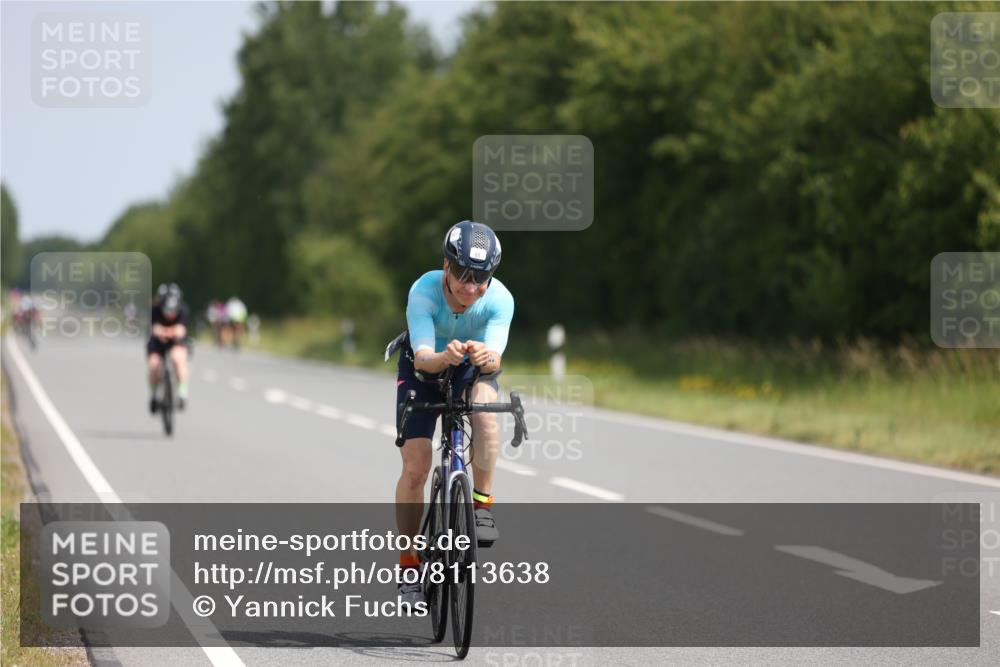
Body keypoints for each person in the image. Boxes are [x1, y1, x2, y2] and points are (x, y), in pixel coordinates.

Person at [393, 220, 513, 605]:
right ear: (446, 265)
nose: (470, 286)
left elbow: (495, 359)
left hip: (470, 368)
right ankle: (409, 564)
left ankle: (482, 505)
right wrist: (444, 357)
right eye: (462, 273)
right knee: (416, 467)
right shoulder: (424, 291)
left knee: (485, 410)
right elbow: (424, 357)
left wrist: (485, 356)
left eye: (480, 278)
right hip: (423, 367)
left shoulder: (500, 299)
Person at [147, 283, 191, 412]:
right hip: (157, 342)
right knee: (154, 365)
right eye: (166, 310)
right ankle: (154, 395)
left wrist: (165, 332)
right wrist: (167, 331)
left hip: (176, 341)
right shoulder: (154, 310)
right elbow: (154, 329)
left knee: (178, 359)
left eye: (173, 310)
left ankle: (182, 393)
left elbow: (181, 330)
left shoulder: (183, 310)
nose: (170, 314)